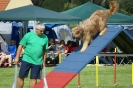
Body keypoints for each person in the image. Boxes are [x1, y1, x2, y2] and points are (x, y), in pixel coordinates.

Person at [14, 23, 48, 88]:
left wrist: (44, 61)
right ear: (36, 29)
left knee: (34, 78)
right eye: (41, 31)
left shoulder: (45, 37)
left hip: (37, 61)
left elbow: (45, 50)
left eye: (43, 30)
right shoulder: (28, 35)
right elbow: (20, 45)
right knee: (21, 76)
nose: (42, 32)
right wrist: (17, 57)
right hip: (26, 59)